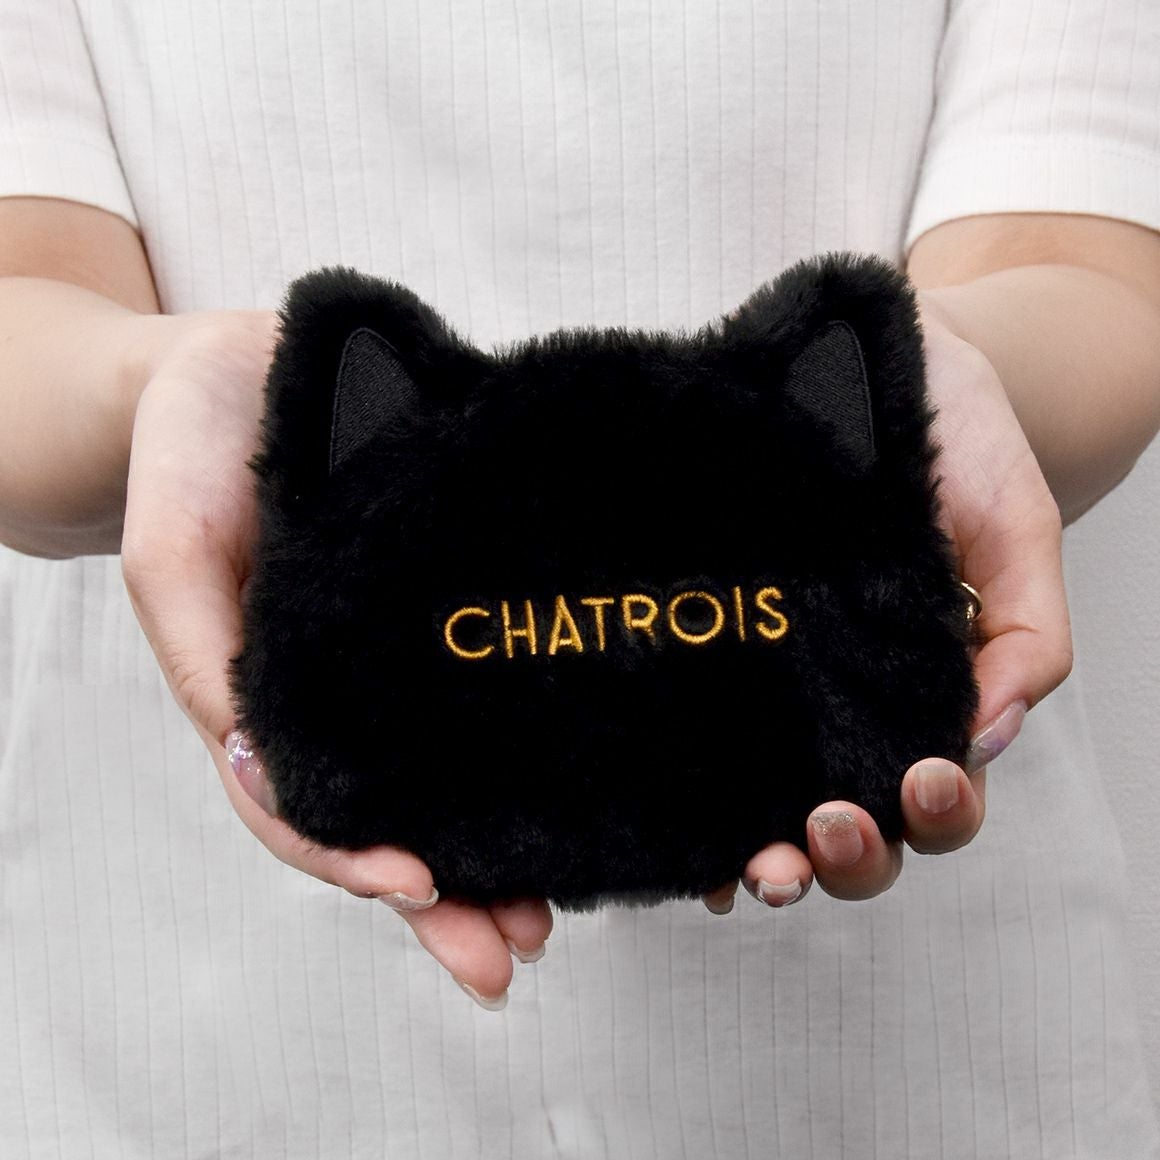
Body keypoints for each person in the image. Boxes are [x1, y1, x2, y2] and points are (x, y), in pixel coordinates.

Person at [1, 0, 1158, 1155]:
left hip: (917, 1017)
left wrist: (913, 391)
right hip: (183, 984)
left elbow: (1079, 254)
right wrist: (163, 391)